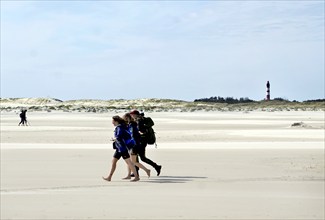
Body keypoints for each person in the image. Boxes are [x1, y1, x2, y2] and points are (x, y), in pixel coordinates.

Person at [102, 116, 140, 182]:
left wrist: (114, 139)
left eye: (113, 121)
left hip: (122, 148)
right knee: (114, 162)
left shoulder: (119, 127)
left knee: (129, 162)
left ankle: (136, 177)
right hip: (119, 148)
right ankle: (109, 177)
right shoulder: (122, 126)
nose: (112, 123)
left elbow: (119, 137)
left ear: (116, 121)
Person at [130, 110, 162, 176]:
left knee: (141, 157)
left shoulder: (139, 120)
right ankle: (136, 171)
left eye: (132, 114)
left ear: (136, 114)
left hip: (141, 141)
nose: (131, 115)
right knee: (136, 156)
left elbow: (139, 130)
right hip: (142, 141)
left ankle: (156, 166)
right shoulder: (141, 119)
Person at [122, 113, 151, 179]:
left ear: (127, 118)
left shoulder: (132, 125)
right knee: (129, 161)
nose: (123, 120)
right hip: (133, 145)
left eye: (124, 118)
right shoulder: (131, 124)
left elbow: (132, 135)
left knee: (133, 162)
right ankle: (129, 175)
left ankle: (147, 170)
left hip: (134, 145)